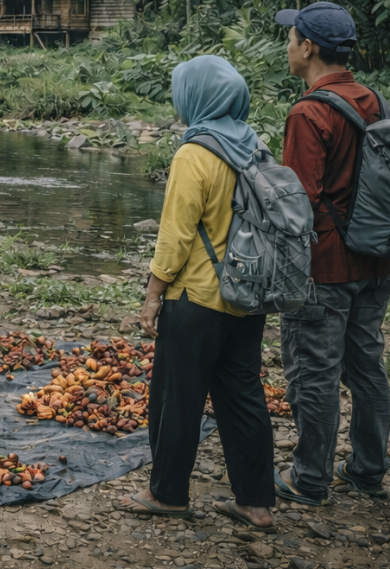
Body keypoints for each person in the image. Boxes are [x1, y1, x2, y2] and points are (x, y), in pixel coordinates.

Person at [118, 55, 275, 532]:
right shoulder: (255, 146)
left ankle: (167, 493)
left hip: (198, 299)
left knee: (177, 397)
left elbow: (175, 237)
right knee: (244, 397)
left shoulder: (194, 153)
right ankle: (256, 503)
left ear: (195, 97)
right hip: (248, 297)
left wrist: (152, 296)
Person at [273, 2, 390, 505]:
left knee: (314, 371)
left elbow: (297, 202)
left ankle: (310, 479)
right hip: (377, 259)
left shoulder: (309, 111)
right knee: (367, 365)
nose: (288, 45)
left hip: (325, 267)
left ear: (310, 48)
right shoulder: (376, 101)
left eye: (292, 36)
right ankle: (367, 469)